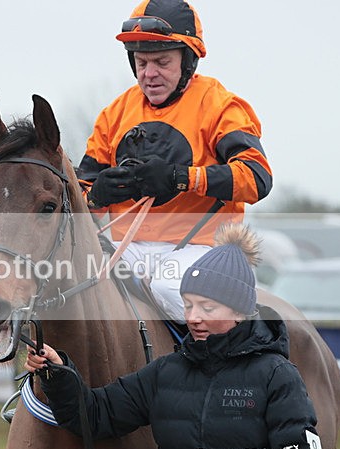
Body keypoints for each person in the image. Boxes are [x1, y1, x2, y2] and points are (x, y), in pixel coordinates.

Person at [25, 224, 324, 449]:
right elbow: (95, 415)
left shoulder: (277, 376)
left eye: (208, 307)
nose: (193, 317)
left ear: (240, 312)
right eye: (188, 304)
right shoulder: (166, 372)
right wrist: (59, 374)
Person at [81, 0, 273, 321]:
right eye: (141, 63)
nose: (149, 74)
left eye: (161, 62)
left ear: (188, 62)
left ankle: (233, 357)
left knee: (169, 287)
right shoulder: (113, 115)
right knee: (70, 282)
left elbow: (257, 179)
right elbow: (79, 199)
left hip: (201, 249)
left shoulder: (219, 106)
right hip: (128, 248)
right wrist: (97, 195)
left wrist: (180, 178)